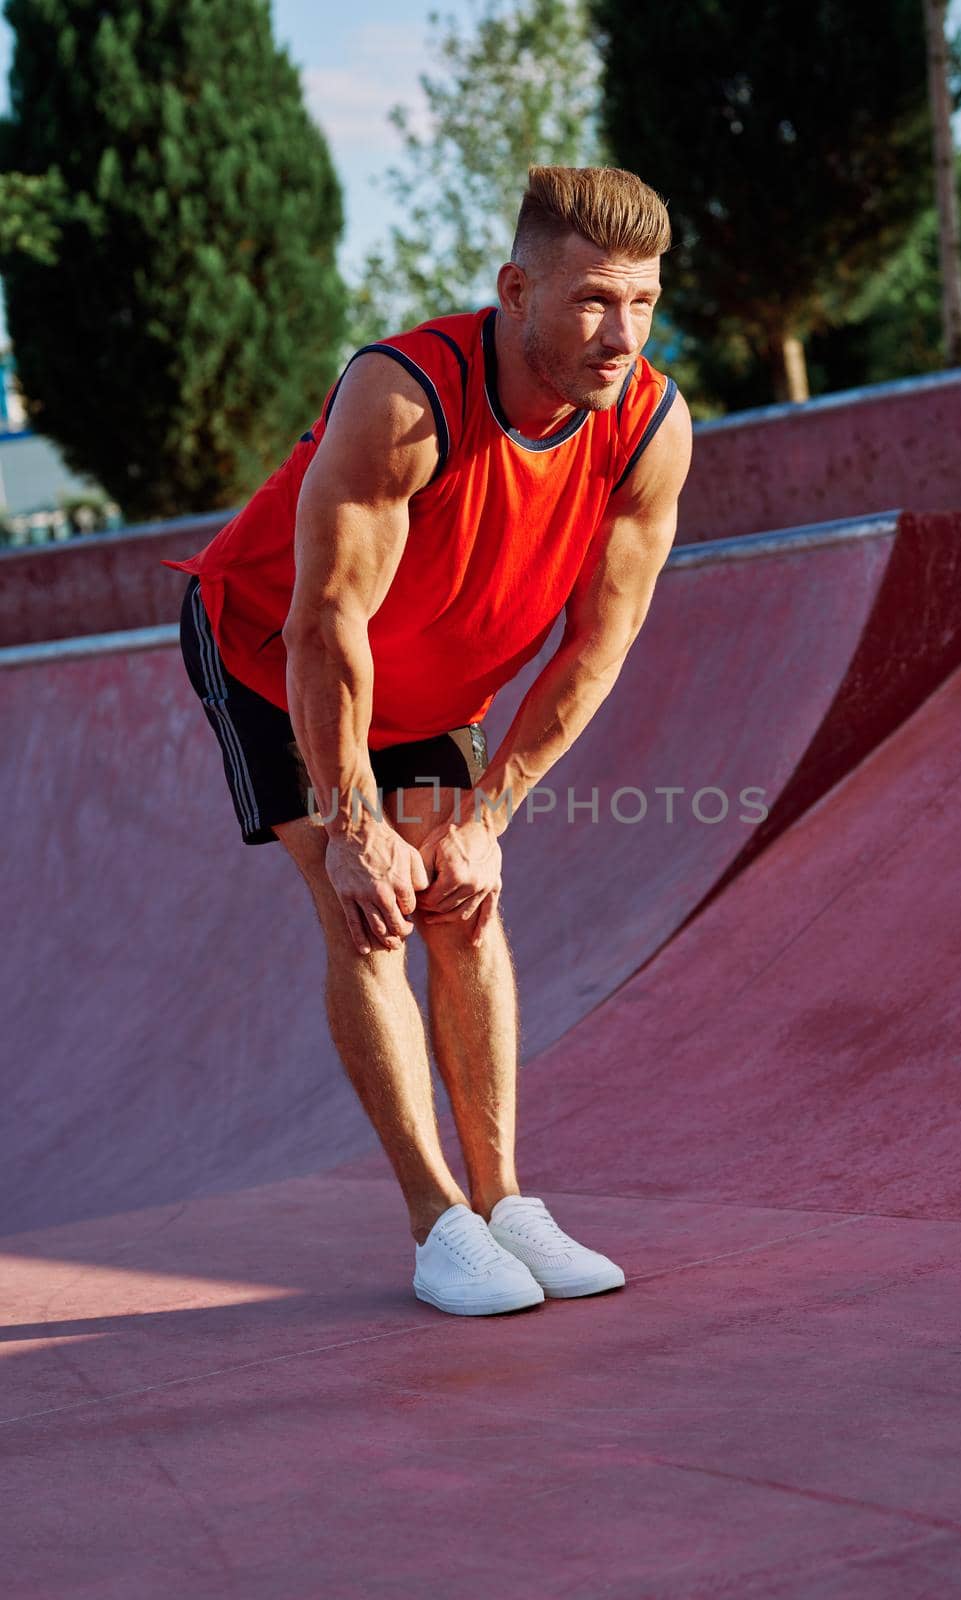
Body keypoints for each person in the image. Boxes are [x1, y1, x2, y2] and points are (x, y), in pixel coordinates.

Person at [167, 164, 693, 1316]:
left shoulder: (649, 424)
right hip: (275, 651)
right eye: (594, 300)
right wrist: (356, 826)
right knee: (369, 907)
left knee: (466, 896)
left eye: (643, 303)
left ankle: (507, 1202)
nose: (621, 334)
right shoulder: (405, 395)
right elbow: (324, 625)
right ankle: (436, 1221)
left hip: (431, 682)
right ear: (515, 289)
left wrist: (487, 817)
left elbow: (594, 651)